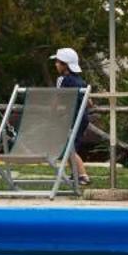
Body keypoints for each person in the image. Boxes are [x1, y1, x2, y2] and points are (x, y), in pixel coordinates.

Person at [51, 46, 92, 187]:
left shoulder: (62, 80)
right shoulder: (80, 81)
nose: (55, 64)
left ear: (65, 65)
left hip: (72, 119)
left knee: (68, 148)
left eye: (57, 62)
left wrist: (54, 112)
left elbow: (57, 101)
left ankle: (82, 175)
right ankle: (75, 173)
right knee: (69, 147)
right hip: (83, 118)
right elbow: (90, 102)